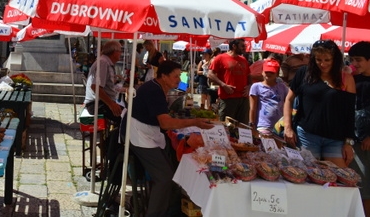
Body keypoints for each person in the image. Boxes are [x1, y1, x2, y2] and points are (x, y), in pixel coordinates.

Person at [125, 60, 214, 217]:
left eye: (180, 76)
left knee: (170, 173)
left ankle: (168, 209)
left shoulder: (158, 88)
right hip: (139, 135)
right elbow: (165, 123)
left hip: (148, 132)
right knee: (164, 178)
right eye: (175, 76)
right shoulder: (153, 90)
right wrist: (195, 122)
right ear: (164, 76)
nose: (179, 80)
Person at [283, 39, 356, 167]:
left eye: (327, 60)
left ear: (335, 59)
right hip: (307, 134)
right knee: (307, 176)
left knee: (341, 179)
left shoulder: (346, 78)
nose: (322, 64)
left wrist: (348, 143)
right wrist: (288, 127)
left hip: (335, 138)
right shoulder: (304, 73)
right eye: (318, 60)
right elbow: (289, 99)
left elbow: (349, 112)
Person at [347, 41, 370, 217]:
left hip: (368, 140)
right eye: (351, 60)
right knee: (363, 187)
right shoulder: (352, 80)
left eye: (358, 60)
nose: (354, 64)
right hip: (355, 140)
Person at [207, 39, 251, 124]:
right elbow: (210, 74)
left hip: (243, 99)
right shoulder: (220, 58)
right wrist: (223, 85)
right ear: (234, 46)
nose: (244, 48)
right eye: (242, 46)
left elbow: (249, 75)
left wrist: (249, 86)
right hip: (228, 98)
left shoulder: (243, 60)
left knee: (243, 127)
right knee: (225, 126)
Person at [83, 40, 124, 124]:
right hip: (97, 104)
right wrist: (111, 104)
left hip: (100, 103)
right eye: (120, 51)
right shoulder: (103, 62)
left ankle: (115, 135)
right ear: (114, 52)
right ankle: (116, 136)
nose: (121, 53)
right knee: (126, 118)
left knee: (126, 115)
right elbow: (95, 87)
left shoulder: (105, 62)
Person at [249, 59, 289, 135]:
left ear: (277, 74)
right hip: (263, 126)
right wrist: (252, 124)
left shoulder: (282, 87)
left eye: (272, 72)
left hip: (279, 126)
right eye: (266, 72)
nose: (268, 74)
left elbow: (288, 103)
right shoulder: (256, 87)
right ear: (262, 72)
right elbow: (252, 108)